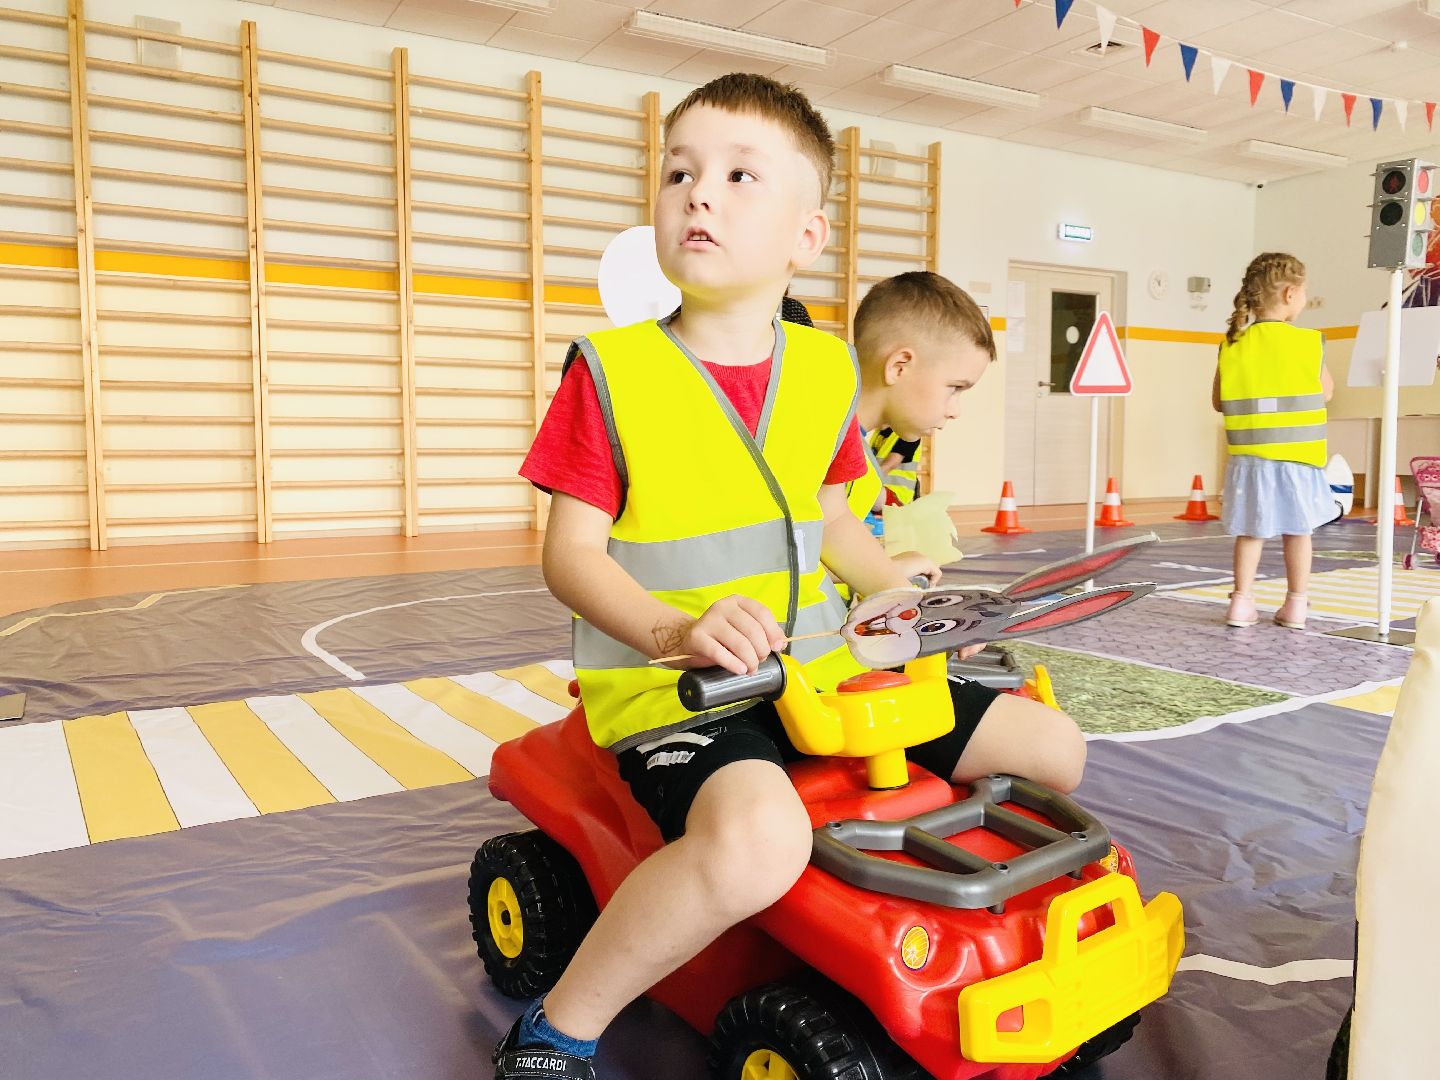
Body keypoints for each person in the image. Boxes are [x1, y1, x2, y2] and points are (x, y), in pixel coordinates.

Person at [505, 73, 1085, 1080]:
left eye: (740, 176)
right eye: (679, 173)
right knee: (760, 842)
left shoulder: (823, 371)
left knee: (1055, 747)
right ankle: (559, 1028)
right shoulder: (610, 373)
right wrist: (672, 634)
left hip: (824, 668)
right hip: (680, 690)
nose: (699, 193)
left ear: (805, 237)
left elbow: (831, 519)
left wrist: (894, 592)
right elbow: (570, 556)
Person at [1212, 252, 1335, 630]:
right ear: (1289, 293)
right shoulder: (1309, 342)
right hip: (1299, 455)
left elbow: (1218, 400)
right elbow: (1326, 392)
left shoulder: (1232, 344)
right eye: (1304, 292)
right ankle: (1296, 605)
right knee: (1298, 530)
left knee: (1251, 530)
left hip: (1249, 458)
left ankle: (1241, 602)